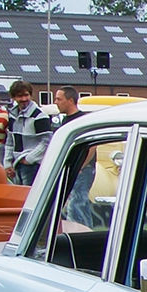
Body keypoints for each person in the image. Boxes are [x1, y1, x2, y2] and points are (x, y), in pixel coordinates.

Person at [53, 86, 96, 226]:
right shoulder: (64, 121)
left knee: (77, 203)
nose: (56, 102)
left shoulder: (83, 120)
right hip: (70, 168)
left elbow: (92, 146)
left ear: (70, 100)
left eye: (59, 99)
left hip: (82, 169)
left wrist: (80, 166)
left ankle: (81, 234)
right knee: (72, 204)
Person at [2, 79, 52, 186]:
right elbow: (10, 141)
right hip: (17, 164)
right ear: (14, 97)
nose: (24, 99)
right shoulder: (12, 116)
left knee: (29, 197)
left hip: (33, 165)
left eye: (26, 95)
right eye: (20, 96)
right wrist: (7, 163)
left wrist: (30, 159)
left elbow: (47, 141)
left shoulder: (40, 116)